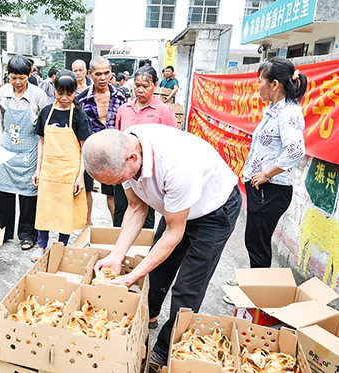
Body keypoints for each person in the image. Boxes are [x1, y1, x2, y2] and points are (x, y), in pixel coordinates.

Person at [83, 125, 241, 371]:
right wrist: (116, 255)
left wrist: (132, 276)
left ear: (132, 158)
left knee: (187, 288)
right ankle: (148, 317)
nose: (120, 184)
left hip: (213, 211)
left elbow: (174, 233)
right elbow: (136, 208)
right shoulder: (125, 147)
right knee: (157, 271)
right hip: (176, 208)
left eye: (119, 180)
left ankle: (164, 351)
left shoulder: (176, 164)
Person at [242, 57, 307, 268]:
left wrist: (267, 174)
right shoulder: (275, 109)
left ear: (275, 84)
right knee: (255, 240)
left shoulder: (288, 113)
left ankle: (256, 295)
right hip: (263, 188)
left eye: (261, 81)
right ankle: (252, 283)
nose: (258, 87)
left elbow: (296, 150)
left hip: (270, 190)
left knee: (257, 243)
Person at [31, 70, 92, 262]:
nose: (64, 98)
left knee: (66, 212)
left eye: (69, 93)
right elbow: (41, 142)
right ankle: (41, 246)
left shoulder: (79, 115)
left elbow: (84, 149)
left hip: (69, 172)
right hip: (48, 170)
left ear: (75, 92)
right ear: (54, 90)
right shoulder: (46, 112)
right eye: (60, 93)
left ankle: (61, 247)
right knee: (44, 209)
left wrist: (80, 176)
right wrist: (37, 169)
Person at [113, 65, 178, 229]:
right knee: (121, 208)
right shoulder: (124, 109)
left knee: (146, 212)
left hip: (150, 172)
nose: (140, 90)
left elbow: (172, 143)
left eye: (145, 86)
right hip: (125, 170)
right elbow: (119, 137)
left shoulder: (163, 111)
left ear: (155, 85)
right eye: (137, 85)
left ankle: (142, 250)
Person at [0, 55, 47, 250]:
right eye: (13, 78)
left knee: (29, 196)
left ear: (29, 75)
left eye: (22, 78)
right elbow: (2, 123)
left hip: (29, 152)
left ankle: (27, 234)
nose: (17, 83)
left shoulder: (39, 95)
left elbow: (43, 126)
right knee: (4, 194)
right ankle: (3, 232)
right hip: (7, 150)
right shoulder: (2, 93)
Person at [77, 56, 126, 225]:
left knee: (113, 194)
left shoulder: (120, 96)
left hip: (114, 152)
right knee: (86, 190)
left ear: (111, 72)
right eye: (98, 74)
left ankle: (115, 228)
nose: (103, 78)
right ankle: (87, 225)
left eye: (106, 73)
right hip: (89, 151)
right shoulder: (82, 99)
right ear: (90, 74)